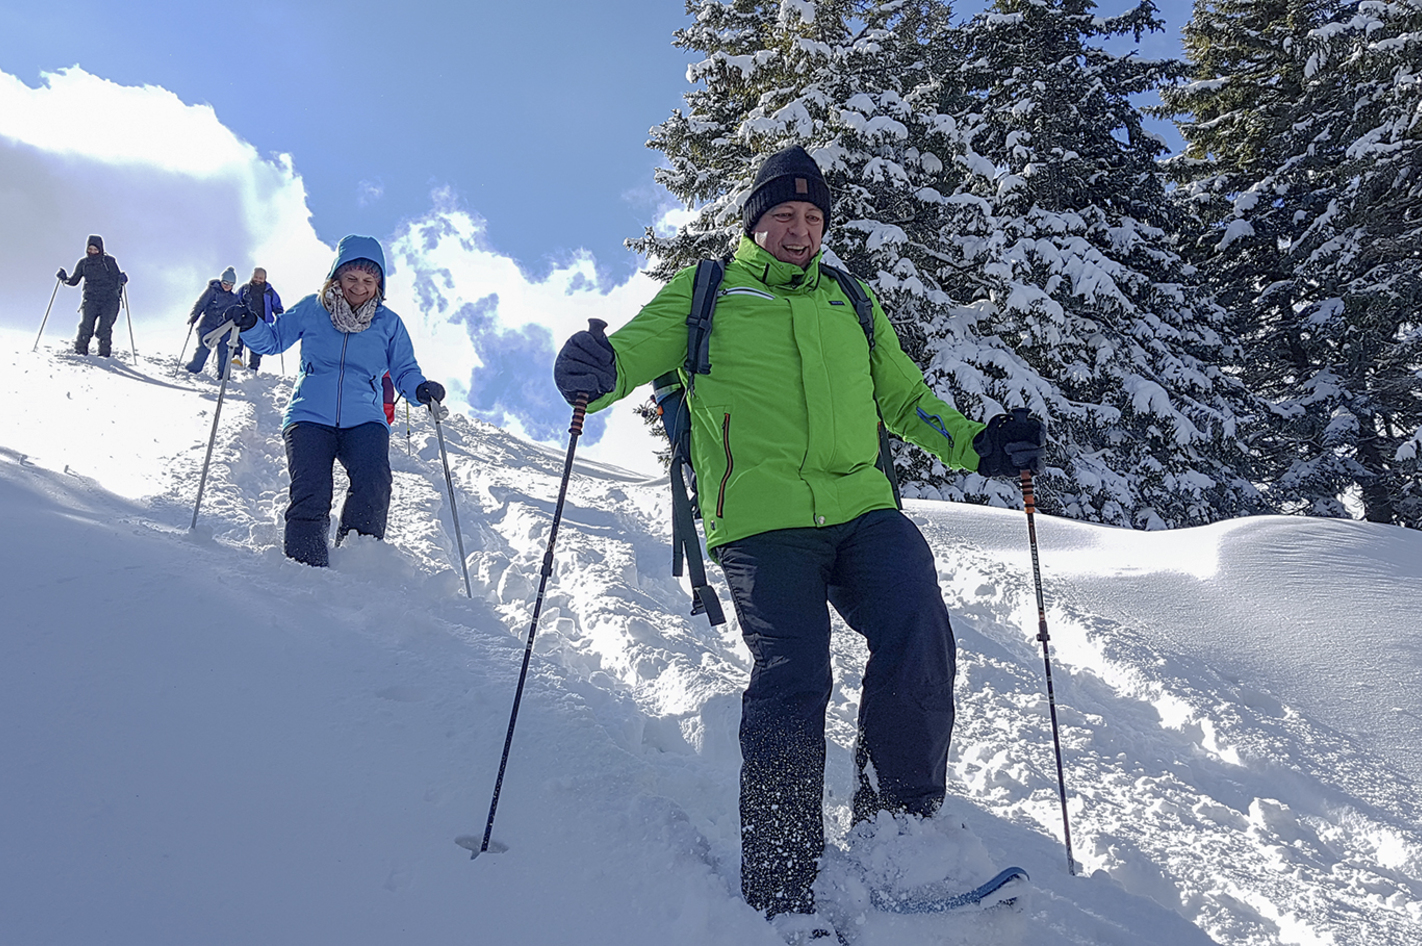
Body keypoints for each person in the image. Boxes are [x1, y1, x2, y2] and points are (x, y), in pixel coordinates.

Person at [553, 146, 1045, 932]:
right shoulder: (708, 291)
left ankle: (900, 830)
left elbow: (907, 400)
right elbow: (629, 357)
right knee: (794, 673)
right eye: (784, 213)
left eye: (813, 216)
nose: (800, 228)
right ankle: (782, 880)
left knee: (917, 621)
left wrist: (980, 445)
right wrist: (593, 366)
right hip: (762, 519)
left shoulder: (850, 300)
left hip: (861, 507)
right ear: (755, 220)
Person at [233, 235, 444, 567]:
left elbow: (404, 369)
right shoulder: (311, 309)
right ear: (336, 278)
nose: (359, 287)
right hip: (309, 415)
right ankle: (305, 566)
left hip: (365, 418)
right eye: (351, 279)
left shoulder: (388, 323)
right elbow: (273, 341)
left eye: (368, 280)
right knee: (312, 488)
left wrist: (420, 389)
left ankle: (357, 561)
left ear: (379, 284)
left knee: (374, 481)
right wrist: (249, 325)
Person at [57, 234, 128, 357]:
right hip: (91, 299)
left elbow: (118, 279)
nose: (93, 252)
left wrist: (123, 279)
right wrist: (64, 279)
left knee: (105, 328)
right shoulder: (83, 263)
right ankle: (80, 351)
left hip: (109, 299)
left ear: (101, 249)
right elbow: (74, 281)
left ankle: (104, 355)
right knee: (86, 325)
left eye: (95, 249)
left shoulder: (109, 261)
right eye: (90, 249)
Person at [186, 267, 241, 376]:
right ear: (221, 281)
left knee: (224, 351)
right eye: (225, 282)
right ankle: (194, 369)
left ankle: (224, 375)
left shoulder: (234, 299)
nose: (227, 286)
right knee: (204, 347)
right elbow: (201, 303)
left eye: (230, 284)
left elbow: (239, 310)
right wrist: (195, 315)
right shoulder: (212, 291)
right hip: (208, 324)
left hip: (223, 328)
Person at [233, 267, 284, 372]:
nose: (258, 280)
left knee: (258, 343)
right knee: (239, 337)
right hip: (245, 319)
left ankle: (253, 366)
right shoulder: (245, 288)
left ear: (265, 278)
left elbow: (277, 306)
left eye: (260, 278)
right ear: (252, 276)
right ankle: (236, 357)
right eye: (256, 277)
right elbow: (235, 300)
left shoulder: (269, 291)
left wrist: (280, 317)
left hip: (262, 322)